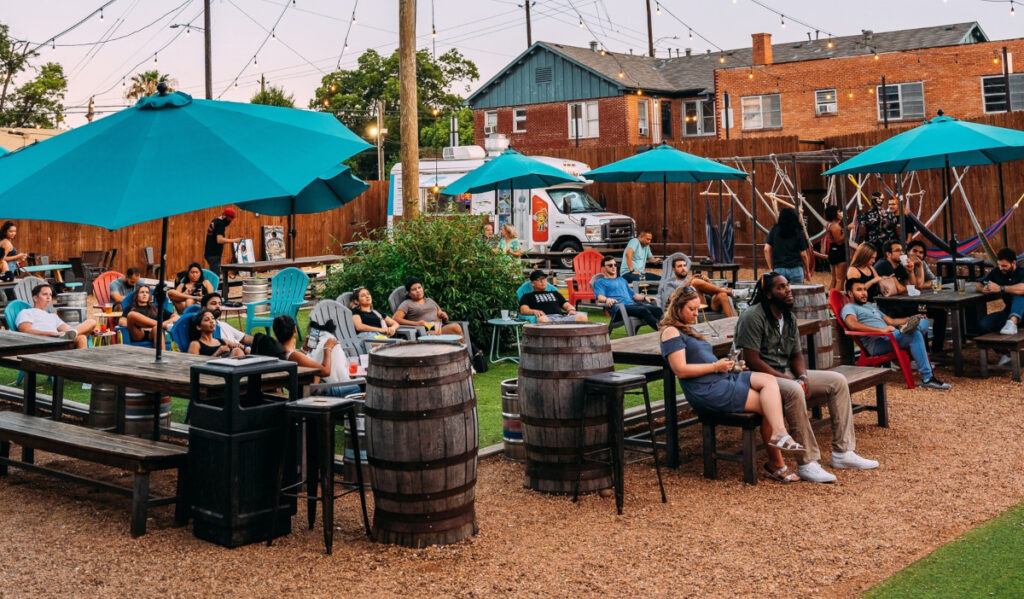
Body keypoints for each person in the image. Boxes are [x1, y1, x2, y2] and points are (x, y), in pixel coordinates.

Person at [735, 272, 879, 483]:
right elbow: (753, 359)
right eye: (781, 288)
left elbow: (796, 355)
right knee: (794, 391)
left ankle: (843, 452)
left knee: (837, 381)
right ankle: (807, 462)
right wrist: (795, 382)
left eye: (788, 287)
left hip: (787, 372)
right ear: (767, 294)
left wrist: (803, 375)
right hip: (761, 376)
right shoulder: (752, 317)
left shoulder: (788, 317)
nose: (787, 291)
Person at [659, 285, 805, 483]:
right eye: (691, 310)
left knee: (769, 382)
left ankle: (779, 435)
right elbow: (681, 370)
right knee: (769, 404)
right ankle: (776, 462)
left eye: (697, 309)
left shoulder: (688, 329)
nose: (695, 314)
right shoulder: (670, 332)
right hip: (708, 390)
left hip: (722, 379)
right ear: (677, 308)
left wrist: (732, 366)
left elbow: (706, 364)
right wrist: (715, 367)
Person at [841, 279, 951, 390]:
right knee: (914, 334)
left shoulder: (870, 307)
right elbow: (852, 325)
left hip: (891, 336)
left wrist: (912, 318)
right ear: (850, 293)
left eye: (865, 289)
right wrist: (882, 331)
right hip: (878, 342)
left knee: (924, 321)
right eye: (859, 290)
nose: (864, 293)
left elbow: (892, 321)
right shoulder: (849, 308)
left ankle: (911, 327)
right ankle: (927, 379)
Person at [266, 314, 360, 397]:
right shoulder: (293, 355)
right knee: (360, 386)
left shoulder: (281, 352)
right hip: (319, 393)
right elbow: (326, 371)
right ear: (295, 329)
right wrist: (328, 348)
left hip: (311, 391)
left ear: (275, 332)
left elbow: (301, 361)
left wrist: (304, 349)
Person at [594, 256, 662, 332]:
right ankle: (663, 331)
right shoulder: (600, 282)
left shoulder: (622, 280)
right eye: (610, 265)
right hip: (619, 309)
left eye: (615, 265)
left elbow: (634, 295)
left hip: (632, 306)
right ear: (603, 268)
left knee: (657, 309)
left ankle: (669, 329)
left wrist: (645, 298)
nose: (613, 267)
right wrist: (607, 299)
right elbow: (599, 297)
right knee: (644, 310)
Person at [16, 283, 95, 349]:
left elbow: (69, 330)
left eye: (50, 295)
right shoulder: (26, 312)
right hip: (42, 344)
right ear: (35, 298)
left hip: (59, 341)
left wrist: (89, 330)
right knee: (80, 335)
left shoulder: (52, 316)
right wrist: (52, 334)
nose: (48, 297)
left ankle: (81, 366)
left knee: (89, 325)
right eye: (45, 294)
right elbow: (26, 331)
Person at [658, 254, 736, 317]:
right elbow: (671, 299)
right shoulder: (670, 284)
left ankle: (733, 327)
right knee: (695, 282)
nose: (683, 268)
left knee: (722, 295)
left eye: (684, 265)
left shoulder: (692, 279)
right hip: (693, 306)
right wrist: (690, 282)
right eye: (680, 266)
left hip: (708, 304)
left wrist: (708, 282)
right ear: (673, 270)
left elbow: (711, 293)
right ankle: (732, 292)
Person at [906, 240, 948, 353]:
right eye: (914, 251)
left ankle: (937, 351)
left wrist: (923, 285)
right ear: (908, 252)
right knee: (921, 315)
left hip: (919, 303)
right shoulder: (904, 264)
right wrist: (921, 285)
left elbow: (935, 281)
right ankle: (923, 351)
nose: (918, 254)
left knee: (941, 313)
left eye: (921, 252)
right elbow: (917, 286)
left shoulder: (922, 264)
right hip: (905, 305)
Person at [974, 247, 1024, 337]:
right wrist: (983, 289)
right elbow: (979, 284)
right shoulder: (997, 271)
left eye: (1004, 266)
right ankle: (1003, 350)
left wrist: (1001, 288)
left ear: (1013, 263)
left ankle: (1013, 321)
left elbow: (1022, 288)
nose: (1001, 268)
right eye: (999, 265)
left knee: (1019, 294)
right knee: (983, 325)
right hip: (1007, 312)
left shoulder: (1022, 271)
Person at [393, 278, 464, 341]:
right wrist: (416, 323)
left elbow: (440, 314)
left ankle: (463, 352)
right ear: (409, 293)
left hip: (438, 327)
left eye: (419, 287)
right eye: (414, 289)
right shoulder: (407, 303)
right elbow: (395, 319)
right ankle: (465, 353)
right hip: (425, 331)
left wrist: (444, 315)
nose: (418, 291)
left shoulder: (429, 300)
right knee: (455, 327)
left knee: (456, 328)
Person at [519, 270, 587, 322]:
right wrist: (534, 311)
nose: (543, 281)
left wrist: (571, 309)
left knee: (582, 317)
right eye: (539, 279)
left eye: (544, 279)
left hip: (561, 318)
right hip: (546, 318)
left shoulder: (555, 293)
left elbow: (567, 305)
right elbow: (523, 310)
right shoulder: (527, 296)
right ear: (532, 283)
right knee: (542, 320)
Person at [764, 207, 809, 284]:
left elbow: (766, 249)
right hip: (796, 269)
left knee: (779, 295)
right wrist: (807, 271)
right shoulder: (798, 231)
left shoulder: (774, 230)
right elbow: (803, 254)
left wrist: (771, 268)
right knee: (796, 294)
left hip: (779, 269)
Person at [204, 208, 241, 277]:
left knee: (215, 274)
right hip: (213, 254)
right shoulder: (220, 224)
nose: (229, 222)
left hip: (210, 253)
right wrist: (234, 240)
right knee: (215, 277)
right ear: (224, 215)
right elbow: (220, 240)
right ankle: (212, 288)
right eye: (228, 219)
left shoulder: (215, 221)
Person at [824, 205, 848, 293]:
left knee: (834, 279)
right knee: (840, 279)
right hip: (839, 251)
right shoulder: (835, 226)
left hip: (833, 251)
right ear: (834, 214)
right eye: (838, 212)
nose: (840, 213)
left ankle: (829, 298)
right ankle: (836, 298)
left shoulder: (829, 225)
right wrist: (846, 230)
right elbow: (839, 241)